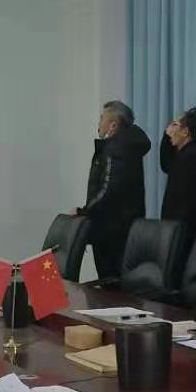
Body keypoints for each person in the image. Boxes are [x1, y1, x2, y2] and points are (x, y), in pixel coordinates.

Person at [75, 101, 151, 280]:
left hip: (111, 230)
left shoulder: (116, 149)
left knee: (110, 284)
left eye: (102, 119)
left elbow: (108, 190)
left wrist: (84, 211)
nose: (99, 123)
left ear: (113, 125)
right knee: (115, 284)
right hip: (122, 227)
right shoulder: (126, 145)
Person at [159, 106, 196, 236]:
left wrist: (175, 231)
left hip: (183, 229)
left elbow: (186, 202)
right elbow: (167, 165)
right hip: (181, 227)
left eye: (175, 125)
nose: (170, 130)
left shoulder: (192, 155)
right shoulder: (191, 152)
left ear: (185, 132)